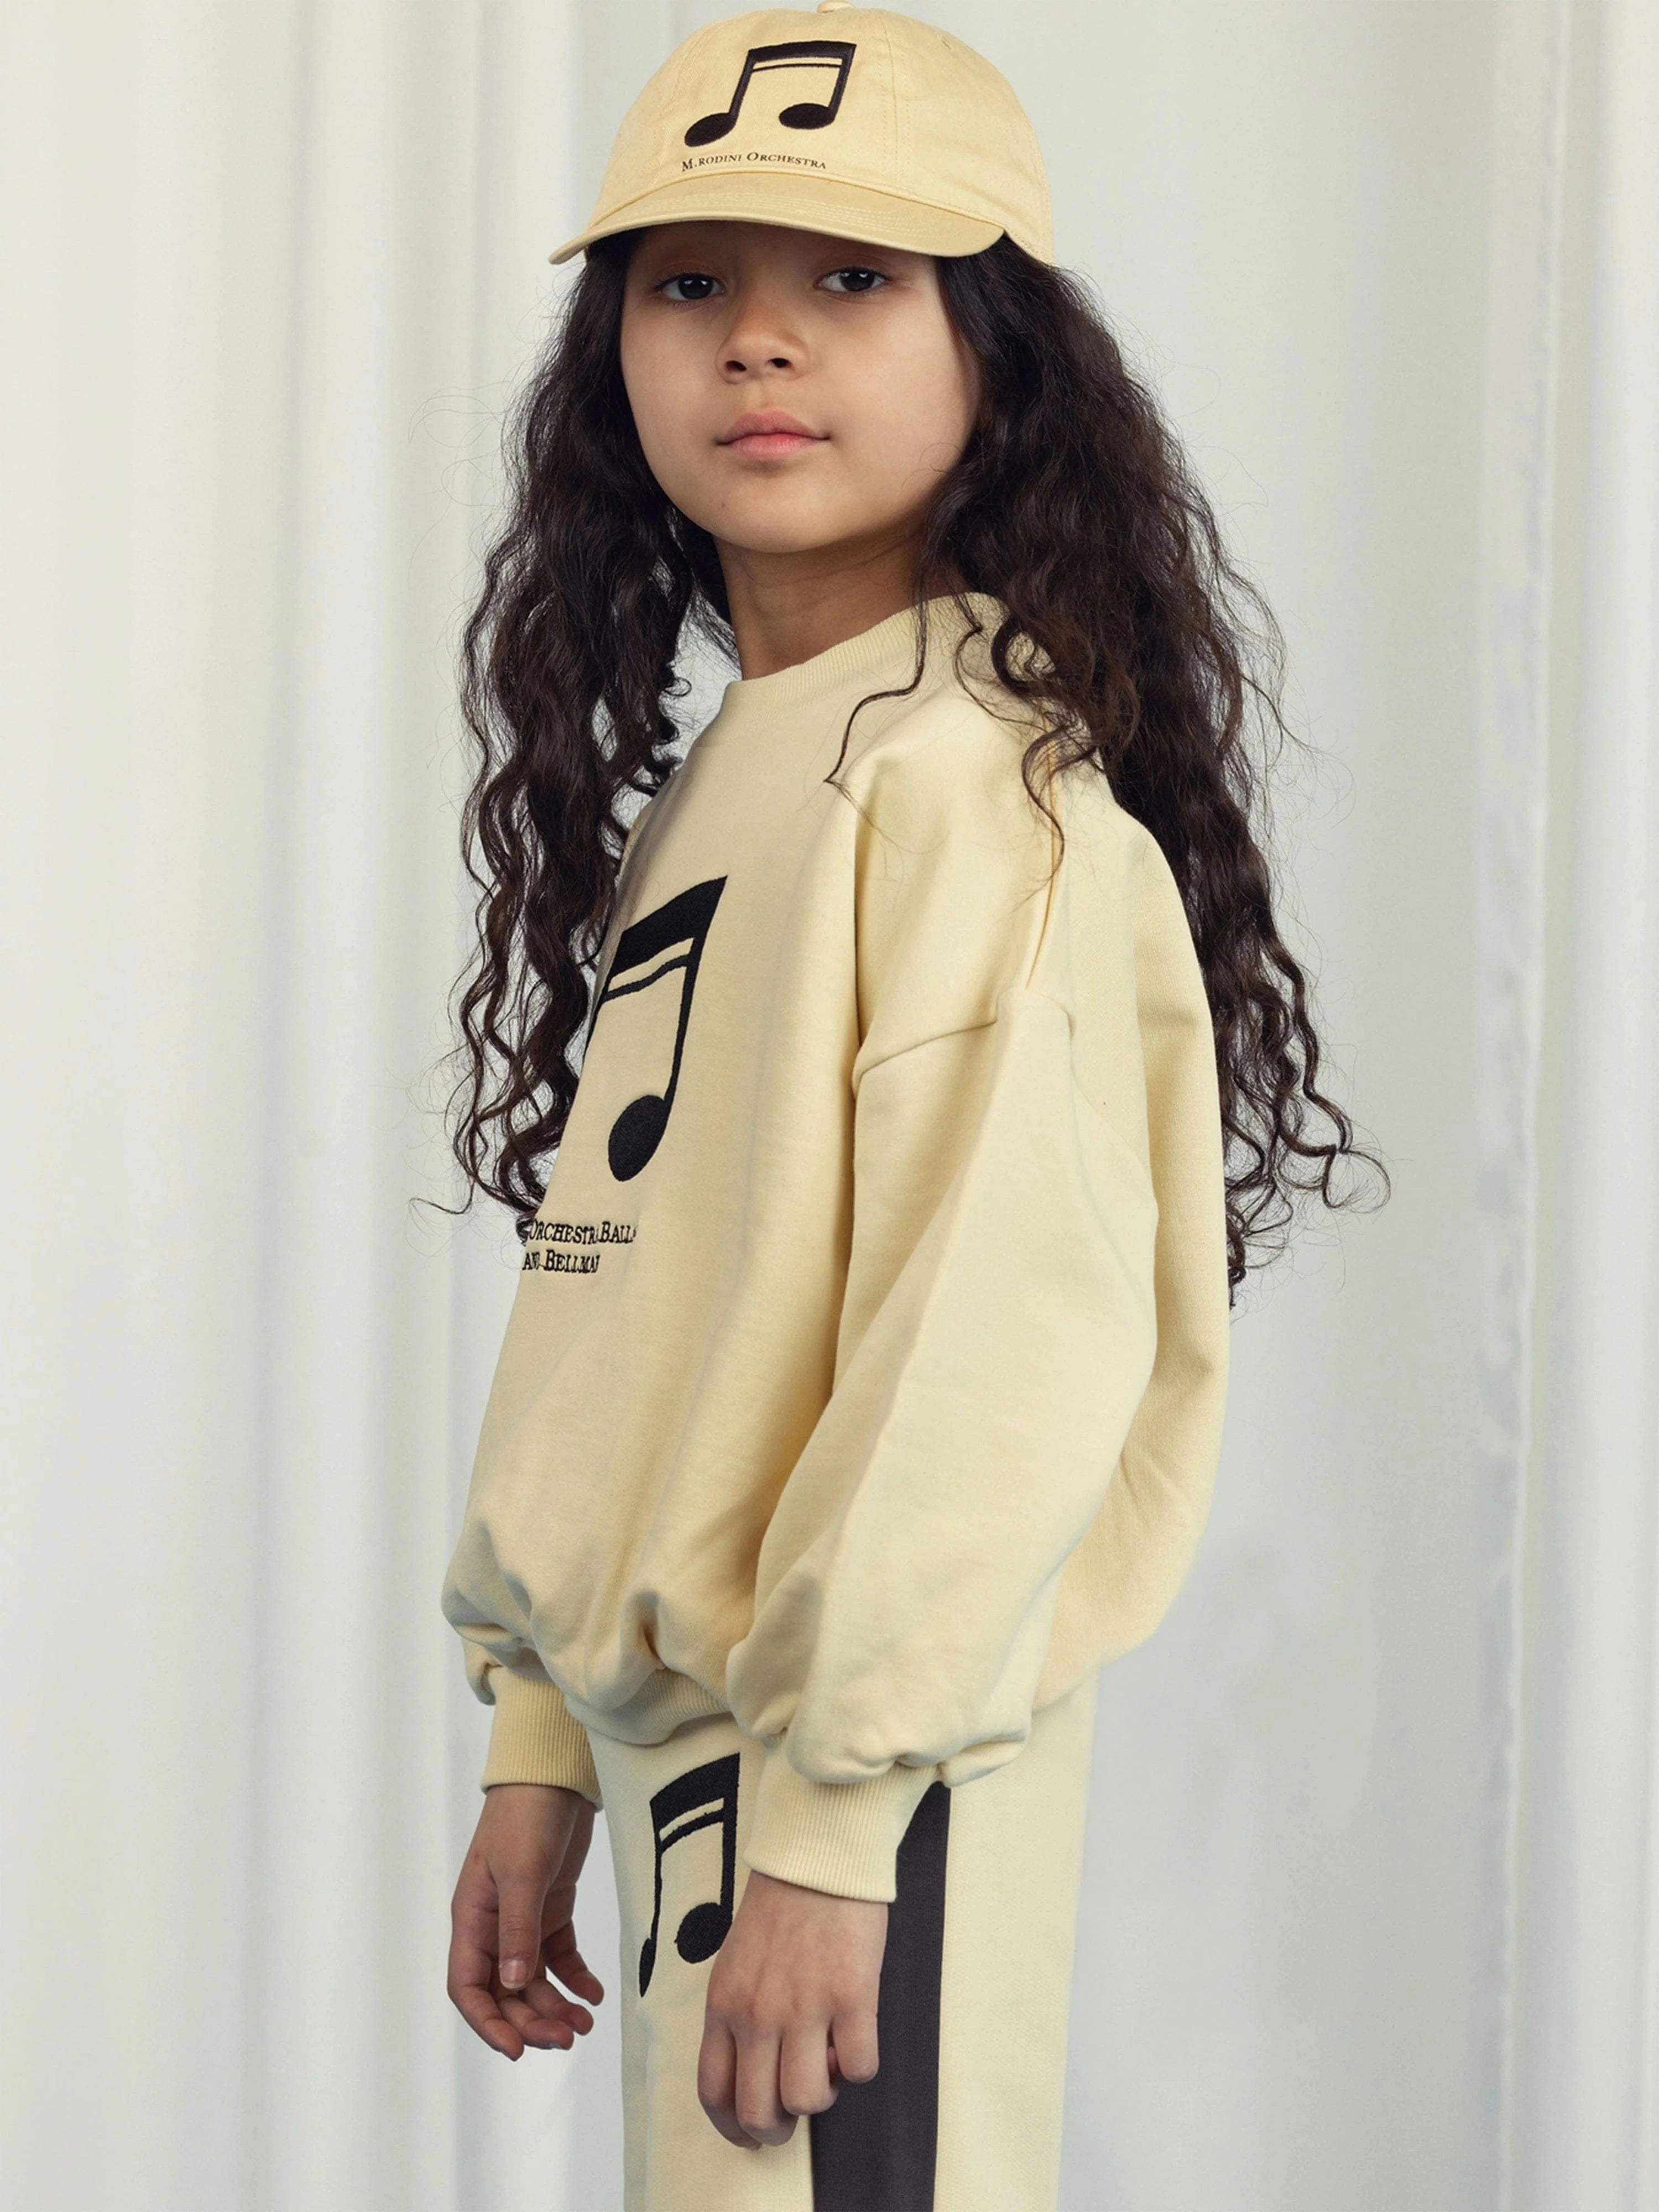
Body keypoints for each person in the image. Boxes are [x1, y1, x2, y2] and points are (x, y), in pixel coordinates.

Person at [437, 6, 1385, 2206]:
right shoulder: (741, 772)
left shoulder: (977, 795)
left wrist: (839, 1827)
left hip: (861, 1799)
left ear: (1002, 359)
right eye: (690, 280)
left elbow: (996, 1353)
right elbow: (638, 1313)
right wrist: (541, 1732)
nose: (759, 340)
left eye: (853, 278)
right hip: (703, 1780)